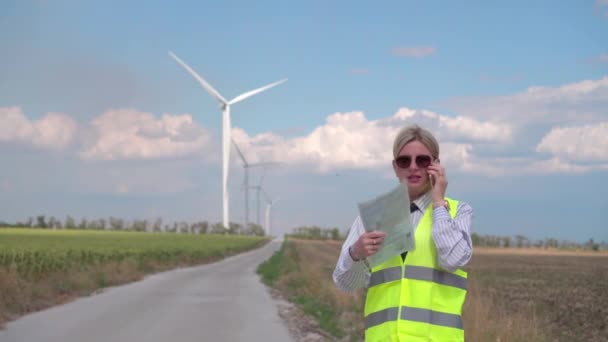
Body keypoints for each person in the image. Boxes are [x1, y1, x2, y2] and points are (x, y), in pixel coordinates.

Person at [333, 124, 473, 342]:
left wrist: (438, 203)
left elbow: (453, 260)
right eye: (404, 161)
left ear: (436, 164)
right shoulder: (372, 217)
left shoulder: (457, 211)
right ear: (395, 167)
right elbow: (344, 284)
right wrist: (355, 254)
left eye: (423, 160)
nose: (413, 167)